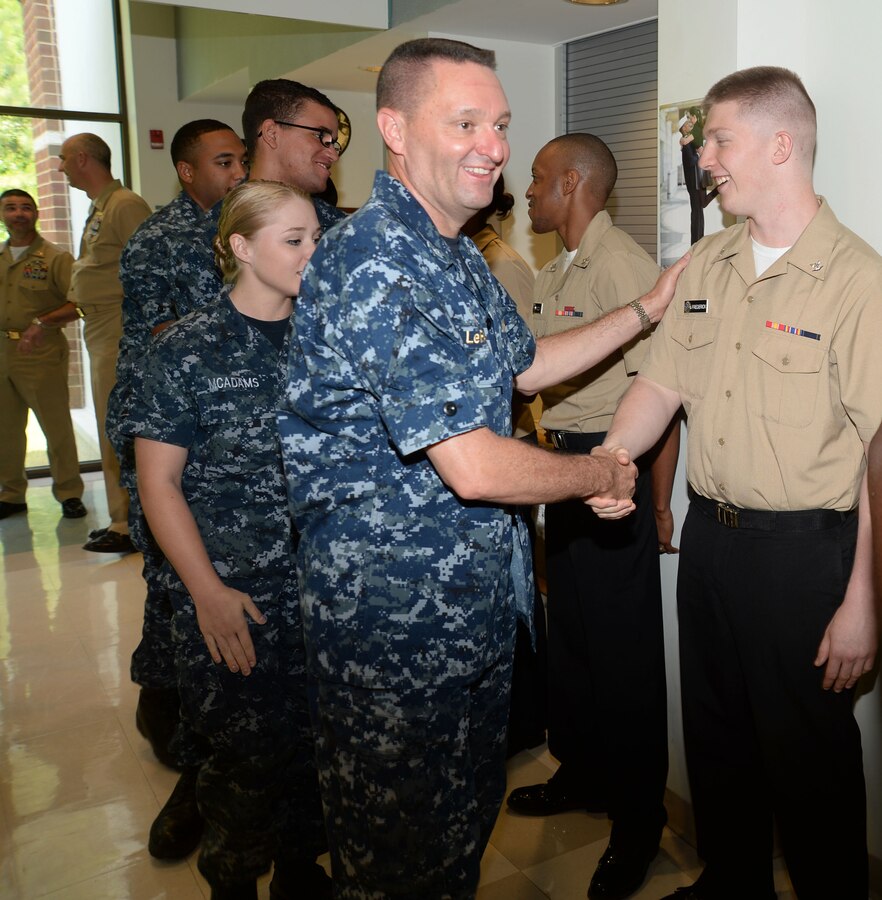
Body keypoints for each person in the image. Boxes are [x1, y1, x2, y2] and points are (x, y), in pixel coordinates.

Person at [277, 37, 687, 899]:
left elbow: (526, 363)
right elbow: (469, 464)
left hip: (466, 618)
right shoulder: (376, 258)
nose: (493, 147)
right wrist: (601, 475)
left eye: (498, 124)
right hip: (390, 632)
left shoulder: (454, 254)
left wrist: (645, 311)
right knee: (397, 865)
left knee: (455, 843)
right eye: (464, 122)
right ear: (393, 128)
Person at [597, 66, 882, 900]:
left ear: (780, 144)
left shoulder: (860, 281)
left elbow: (878, 451)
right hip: (712, 540)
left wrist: (866, 596)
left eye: (719, 138)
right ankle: (732, 886)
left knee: (810, 762)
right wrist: (615, 457)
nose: (706, 157)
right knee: (718, 742)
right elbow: (660, 384)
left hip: (806, 554)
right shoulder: (709, 262)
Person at [127, 180, 329, 900]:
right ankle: (233, 880)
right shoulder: (187, 348)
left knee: (316, 754)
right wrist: (206, 593)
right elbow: (159, 485)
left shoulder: (327, 338)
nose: (313, 252)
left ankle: (304, 873)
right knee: (243, 760)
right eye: (295, 239)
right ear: (242, 247)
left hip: (325, 594)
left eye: (315, 237)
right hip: (235, 596)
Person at [505, 133, 671, 900]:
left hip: (613, 481)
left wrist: (655, 500)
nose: (528, 193)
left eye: (539, 180)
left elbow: (662, 398)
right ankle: (582, 771)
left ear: (572, 183)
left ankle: (638, 825)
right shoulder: (556, 269)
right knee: (570, 641)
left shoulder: (625, 269)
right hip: (560, 473)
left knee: (623, 662)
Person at [112, 119, 247, 860]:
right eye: (223, 161)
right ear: (188, 172)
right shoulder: (160, 241)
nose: (235, 172)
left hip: (238, 459)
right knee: (178, 596)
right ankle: (190, 763)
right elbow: (161, 346)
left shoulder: (252, 223)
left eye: (240, 160)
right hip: (172, 443)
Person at [463, 176, 547, 757]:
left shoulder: (504, 266)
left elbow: (519, 370)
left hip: (502, 446)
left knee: (520, 599)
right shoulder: (465, 260)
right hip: (475, 451)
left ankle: (520, 722)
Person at [58, 132, 151, 553]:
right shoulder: (103, 206)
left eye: (63, 159)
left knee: (117, 424)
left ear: (82, 159)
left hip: (118, 324)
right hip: (98, 324)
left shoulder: (125, 205)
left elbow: (148, 268)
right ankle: (120, 516)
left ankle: (129, 524)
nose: (60, 168)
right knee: (107, 422)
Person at [0, 189, 86, 520]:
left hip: (40, 351)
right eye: (11, 208)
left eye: (25, 207)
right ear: (3, 216)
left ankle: (68, 492)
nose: (18, 213)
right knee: (6, 429)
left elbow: (77, 303)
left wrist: (42, 322)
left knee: (56, 426)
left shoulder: (55, 258)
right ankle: (11, 493)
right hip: (3, 351)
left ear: (36, 214)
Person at [242, 78, 347, 233]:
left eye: (333, 143)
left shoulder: (342, 231)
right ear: (271, 134)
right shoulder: (205, 238)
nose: (333, 155)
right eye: (321, 136)